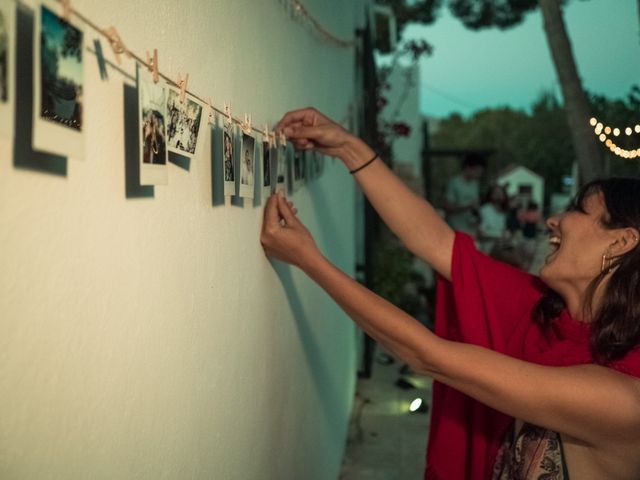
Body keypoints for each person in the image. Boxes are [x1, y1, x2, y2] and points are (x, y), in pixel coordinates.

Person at [261, 107, 640, 480]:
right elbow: (437, 241)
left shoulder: (622, 397)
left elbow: (427, 355)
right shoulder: (545, 311)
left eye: (577, 209)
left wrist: (310, 262)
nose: (552, 219)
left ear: (622, 241)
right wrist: (348, 147)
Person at [443, 153, 486, 236]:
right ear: (468, 168)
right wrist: (468, 207)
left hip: (471, 230)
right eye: (477, 171)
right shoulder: (454, 183)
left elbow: (475, 205)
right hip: (456, 230)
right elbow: (448, 207)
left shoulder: (475, 184)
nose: (478, 175)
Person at [477, 184, 509, 254]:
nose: (499, 195)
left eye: (501, 193)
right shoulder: (484, 210)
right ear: (491, 195)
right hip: (486, 250)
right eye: (496, 193)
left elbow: (502, 231)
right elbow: (480, 235)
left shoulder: (504, 213)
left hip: (500, 248)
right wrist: (497, 238)